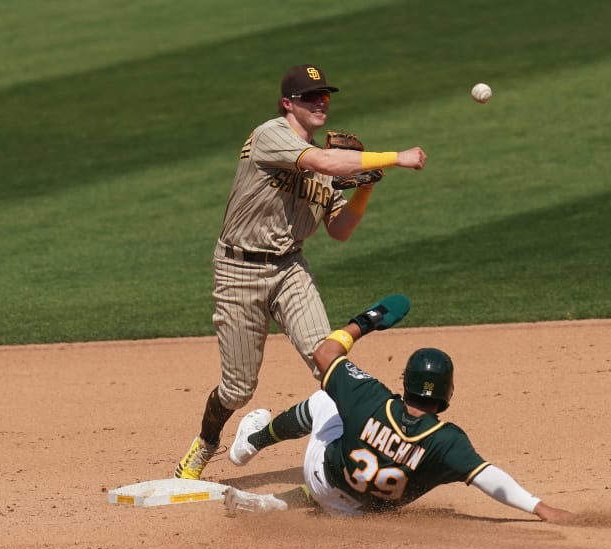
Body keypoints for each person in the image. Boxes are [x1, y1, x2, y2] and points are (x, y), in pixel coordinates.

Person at [174, 65, 428, 479]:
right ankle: (205, 444)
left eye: (324, 95)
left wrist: (365, 187)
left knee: (330, 364)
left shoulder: (333, 165)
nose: (320, 102)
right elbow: (324, 163)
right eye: (310, 96)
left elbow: (340, 231)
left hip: (290, 268)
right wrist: (396, 158)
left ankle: (357, 459)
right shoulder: (271, 135)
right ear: (287, 103)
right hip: (239, 269)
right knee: (238, 390)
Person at [222, 294, 573, 523]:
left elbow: (325, 354)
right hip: (360, 513)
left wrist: (368, 320)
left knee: (326, 398)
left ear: (405, 382)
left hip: (322, 479)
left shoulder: (369, 397)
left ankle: (254, 441)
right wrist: (540, 507)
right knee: (372, 485)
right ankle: (276, 502)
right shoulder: (445, 441)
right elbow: (488, 477)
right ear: (447, 393)